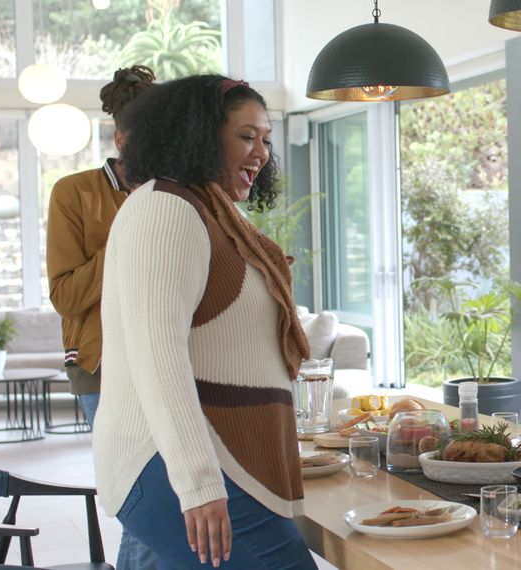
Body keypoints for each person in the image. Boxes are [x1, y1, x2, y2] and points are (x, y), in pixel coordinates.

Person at [93, 74, 316, 569]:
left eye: (265, 139)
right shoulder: (165, 209)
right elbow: (158, 356)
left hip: (220, 456)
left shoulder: (211, 213)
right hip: (170, 462)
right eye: (245, 136)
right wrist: (197, 484)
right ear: (197, 135)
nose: (260, 153)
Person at [45, 64, 160, 569]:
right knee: (145, 496)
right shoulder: (74, 193)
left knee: (175, 495)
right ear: (121, 138)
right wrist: (130, 230)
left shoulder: (180, 193)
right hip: (102, 369)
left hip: (173, 363)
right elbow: (66, 296)